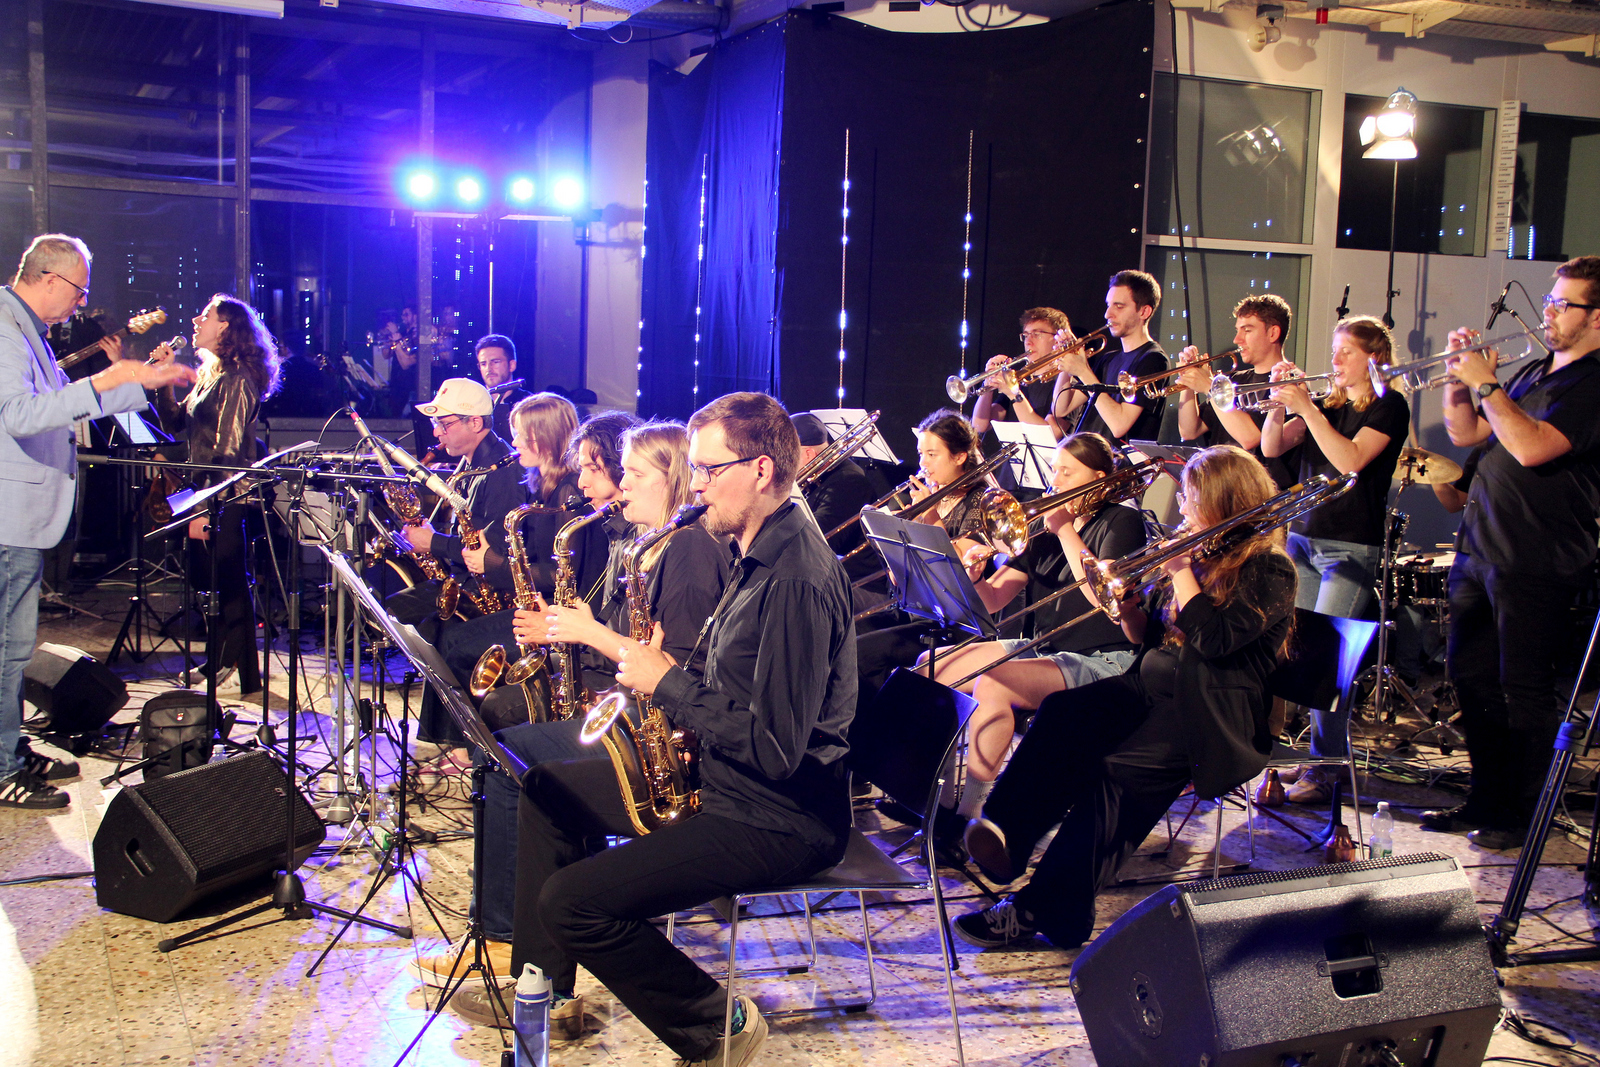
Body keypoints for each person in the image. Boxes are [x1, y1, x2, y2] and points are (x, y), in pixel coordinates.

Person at [496, 392, 854, 1067]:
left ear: (764, 471)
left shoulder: (796, 577)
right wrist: (661, 671)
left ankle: (718, 1026)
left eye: (709, 469)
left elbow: (775, 751)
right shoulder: (756, 546)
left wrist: (668, 682)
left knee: (572, 902)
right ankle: (539, 998)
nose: (697, 484)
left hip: (778, 816)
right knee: (546, 788)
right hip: (725, 779)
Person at [418, 421, 727, 1019]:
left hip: (653, 733)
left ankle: (513, 939)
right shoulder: (644, 542)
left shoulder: (686, 549)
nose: (619, 486)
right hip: (625, 709)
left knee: (511, 757)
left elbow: (678, 667)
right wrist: (583, 621)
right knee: (504, 745)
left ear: (673, 479)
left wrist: (589, 633)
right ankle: (523, 951)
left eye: (633, 475)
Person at [954, 445, 1296, 950]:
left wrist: (1179, 571)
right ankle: (1007, 833)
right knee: (1065, 713)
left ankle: (1034, 911)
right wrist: (1131, 609)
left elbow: (1217, 642)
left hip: (1206, 711)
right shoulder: (1202, 552)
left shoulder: (1269, 570)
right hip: (1148, 686)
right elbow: (1146, 641)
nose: (1182, 510)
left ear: (1224, 501)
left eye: (1191, 499)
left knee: (1115, 775)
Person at [0, 234, 195, 809]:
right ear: (51, 278)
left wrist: (132, 383)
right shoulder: (5, 329)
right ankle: (2, 768)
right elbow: (20, 414)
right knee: (6, 649)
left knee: (13, 647)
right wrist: (104, 383)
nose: (80, 305)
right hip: (9, 517)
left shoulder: (25, 331)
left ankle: (8, 747)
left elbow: (61, 399)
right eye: (79, 290)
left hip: (21, 515)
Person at [1425, 256, 1600, 851]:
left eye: (1562, 303)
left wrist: (1486, 384)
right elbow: (1467, 434)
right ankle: (1486, 798)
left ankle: (1525, 815)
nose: (1547, 311)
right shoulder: (1538, 369)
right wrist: (1458, 380)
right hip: (1480, 548)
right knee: (1470, 679)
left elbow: (1529, 447)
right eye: (1550, 300)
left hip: (1538, 557)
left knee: (1524, 689)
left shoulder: (1593, 383)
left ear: (1596, 317)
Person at [928, 434, 1151, 783]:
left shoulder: (1122, 522)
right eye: (1053, 470)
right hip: (1046, 648)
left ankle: (970, 808)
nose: (1054, 482)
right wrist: (974, 578)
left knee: (994, 681)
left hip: (1103, 657)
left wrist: (1065, 531)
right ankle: (922, 780)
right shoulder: (1046, 531)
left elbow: (1104, 599)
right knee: (935, 666)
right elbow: (995, 599)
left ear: (1097, 478)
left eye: (1067, 472)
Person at [1258, 316, 1408, 803]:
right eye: (1334, 349)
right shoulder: (1328, 403)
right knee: (1291, 650)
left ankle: (1325, 772)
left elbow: (1349, 461)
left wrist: (1308, 407)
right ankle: (1282, 757)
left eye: (1346, 352)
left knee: (1328, 665)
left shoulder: (1389, 407)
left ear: (1374, 359)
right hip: (1304, 539)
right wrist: (1281, 406)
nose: (1335, 360)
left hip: (1351, 547)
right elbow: (1271, 446)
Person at [149, 294, 283, 696]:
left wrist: (207, 505)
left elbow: (228, 449)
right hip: (207, 491)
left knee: (229, 582)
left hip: (226, 494)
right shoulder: (212, 374)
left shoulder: (239, 377)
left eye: (204, 314)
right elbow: (175, 424)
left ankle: (234, 671)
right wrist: (164, 379)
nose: (195, 319)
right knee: (222, 583)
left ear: (225, 326)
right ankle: (233, 670)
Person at [392, 378, 528, 761]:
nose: (436, 433)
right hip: (465, 579)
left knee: (429, 628)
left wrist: (432, 542)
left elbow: (494, 550)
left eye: (445, 424)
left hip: (490, 587)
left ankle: (449, 741)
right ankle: (441, 737)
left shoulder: (500, 472)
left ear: (476, 423)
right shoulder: (471, 465)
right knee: (405, 619)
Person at [1173, 293, 1298, 488]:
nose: (1237, 339)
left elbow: (1250, 438)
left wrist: (1208, 386)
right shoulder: (1233, 381)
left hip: (1257, 494)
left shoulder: (1291, 383)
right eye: (1238, 330)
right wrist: (1188, 380)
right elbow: (1190, 430)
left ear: (1273, 333)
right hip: (1220, 489)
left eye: (1247, 330)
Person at [1051, 270, 1168, 445]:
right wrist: (1067, 360)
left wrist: (1083, 371)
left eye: (1119, 306)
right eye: (1108, 305)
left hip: (1122, 466)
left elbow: (1119, 424)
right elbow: (1061, 409)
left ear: (1144, 312)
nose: (1108, 314)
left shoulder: (1153, 359)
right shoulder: (1108, 359)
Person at [791, 412, 878, 583]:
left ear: (808, 454)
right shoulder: (814, 476)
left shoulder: (849, 482)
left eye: (788, 454)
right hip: (824, 575)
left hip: (855, 584)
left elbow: (817, 541)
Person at [972, 308, 1077, 441]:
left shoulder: (1066, 384)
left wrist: (1014, 393)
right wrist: (988, 383)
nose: (1028, 341)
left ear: (1058, 339)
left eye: (1037, 334)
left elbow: (1049, 437)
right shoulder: (1020, 380)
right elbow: (979, 425)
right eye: (1026, 335)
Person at [476, 334, 530, 443]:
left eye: (495, 362)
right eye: (483, 364)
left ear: (512, 365)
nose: (489, 369)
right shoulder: (472, 404)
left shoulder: (529, 404)